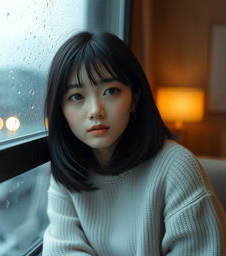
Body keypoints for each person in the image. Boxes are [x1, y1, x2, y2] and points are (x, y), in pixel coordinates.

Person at [42, 31, 226, 256]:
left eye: (111, 91)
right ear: (61, 110)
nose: (95, 111)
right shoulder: (66, 175)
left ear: (134, 98)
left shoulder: (177, 167)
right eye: (77, 97)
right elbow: (61, 250)